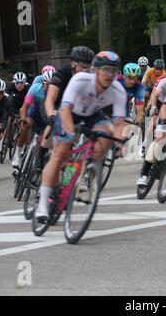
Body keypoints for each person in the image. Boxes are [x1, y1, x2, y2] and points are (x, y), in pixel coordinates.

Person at [34, 51, 128, 222]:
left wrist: (119, 143)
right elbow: (64, 109)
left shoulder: (118, 90)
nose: (109, 75)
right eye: (106, 69)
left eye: (113, 71)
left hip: (92, 114)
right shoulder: (81, 80)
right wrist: (70, 133)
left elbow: (119, 123)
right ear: (96, 70)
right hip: (69, 112)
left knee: (107, 134)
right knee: (60, 153)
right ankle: (42, 204)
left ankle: (87, 166)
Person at [12, 69, 56, 170]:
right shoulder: (35, 88)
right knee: (26, 125)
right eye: (47, 84)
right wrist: (23, 120)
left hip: (47, 117)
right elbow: (24, 107)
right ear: (43, 82)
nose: (49, 87)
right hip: (34, 113)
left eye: (52, 85)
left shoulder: (57, 93)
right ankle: (18, 155)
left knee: (45, 139)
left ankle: (39, 162)